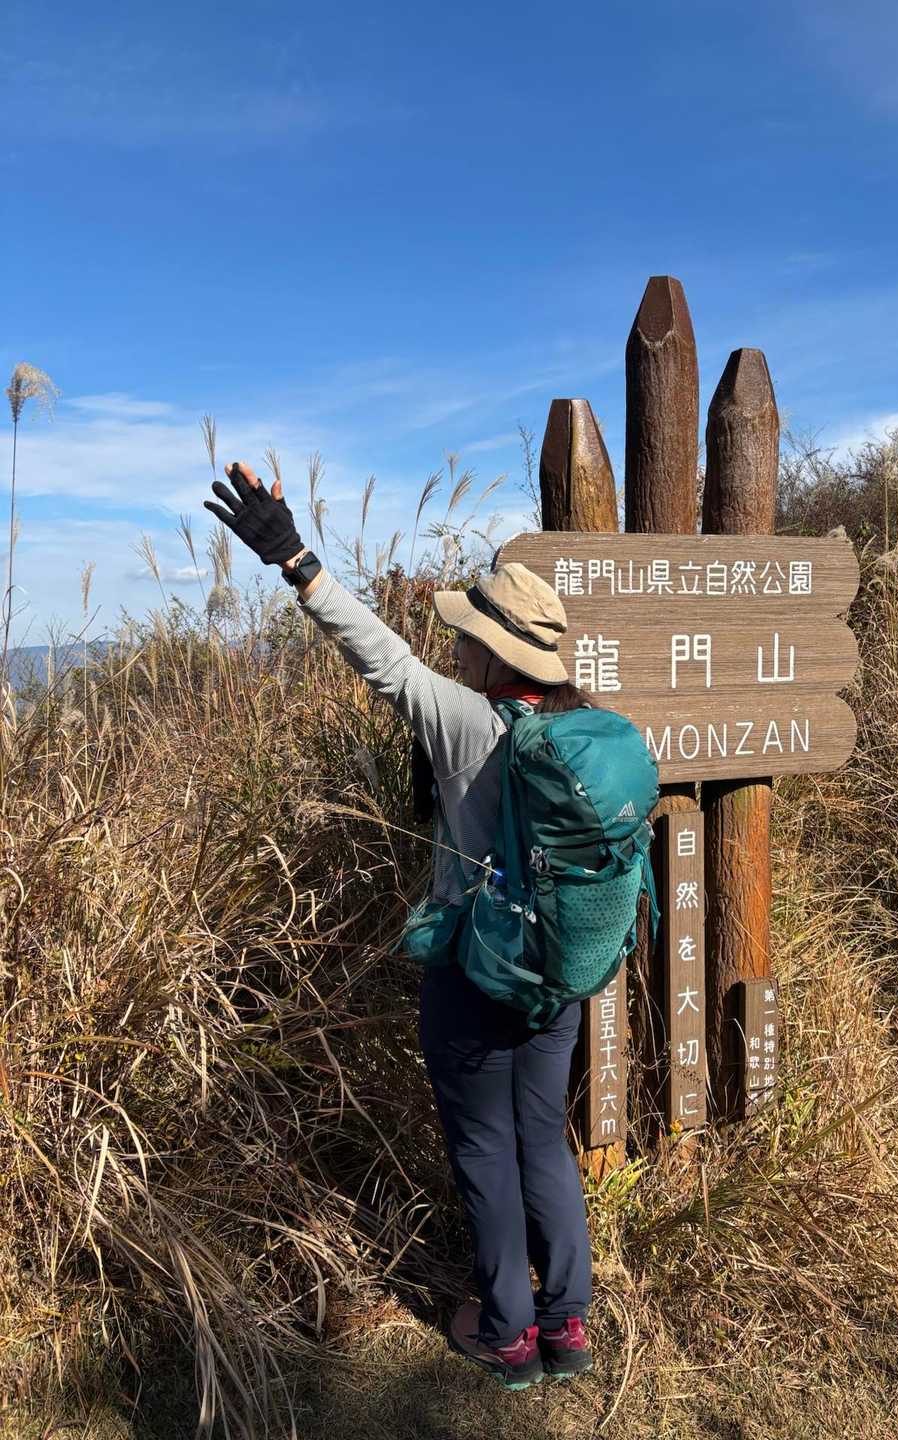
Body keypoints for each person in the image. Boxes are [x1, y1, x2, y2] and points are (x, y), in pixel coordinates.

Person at [205, 461, 593, 1390]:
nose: (453, 648)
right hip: (560, 975)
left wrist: (297, 561)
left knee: (487, 1148)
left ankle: (506, 1334)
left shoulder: (466, 722)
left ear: (496, 655)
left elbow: (378, 655)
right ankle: (567, 1324)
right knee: (544, 1139)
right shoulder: (581, 727)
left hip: (475, 972)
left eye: (466, 638)